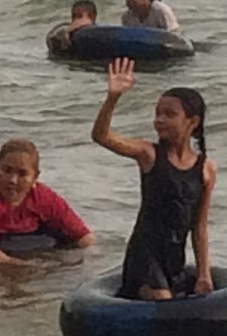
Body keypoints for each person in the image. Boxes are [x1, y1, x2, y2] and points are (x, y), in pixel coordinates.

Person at [91, 58, 216, 300]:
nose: (159, 120)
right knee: (162, 299)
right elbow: (101, 136)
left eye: (170, 114)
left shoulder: (206, 169)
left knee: (177, 298)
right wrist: (113, 97)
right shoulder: (148, 154)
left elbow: (199, 226)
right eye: (157, 114)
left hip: (174, 256)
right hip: (144, 254)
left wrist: (204, 273)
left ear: (193, 122)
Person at [0, 138, 94, 266]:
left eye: (22, 174)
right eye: (6, 170)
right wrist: (29, 267)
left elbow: (84, 237)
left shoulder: (45, 198)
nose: (12, 180)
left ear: (35, 177)